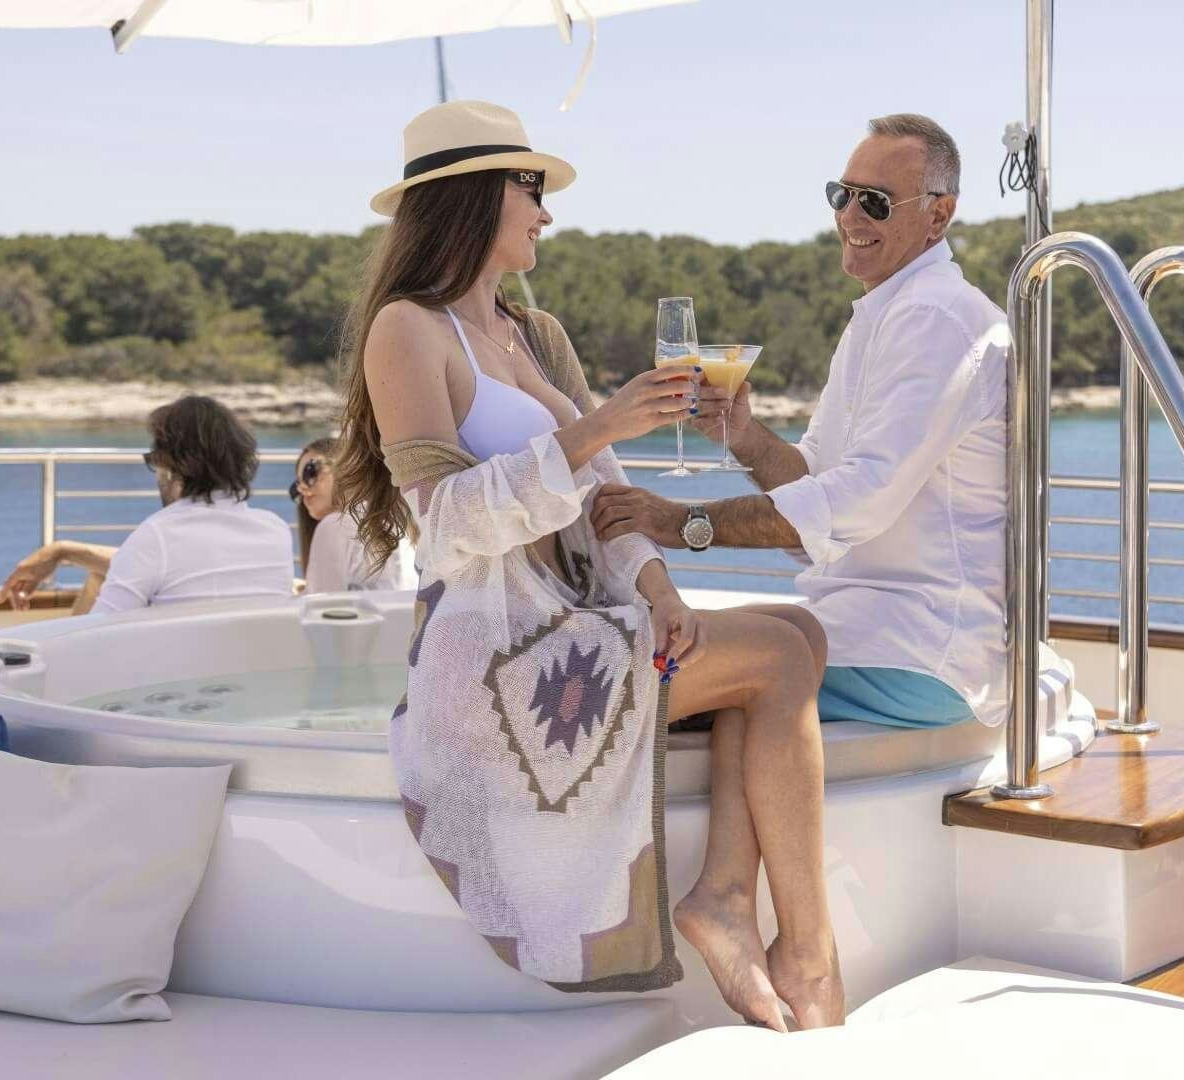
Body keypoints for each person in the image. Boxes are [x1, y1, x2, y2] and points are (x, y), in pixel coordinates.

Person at [333, 100, 841, 1031]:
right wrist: (601, 421)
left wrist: (659, 586)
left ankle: (727, 898)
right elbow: (443, 526)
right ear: (476, 197)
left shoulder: (537, 334)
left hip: (571, 621)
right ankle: (805, 958)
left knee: (801, 631)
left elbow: (605, 494)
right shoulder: (408, 330)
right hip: (493, 656)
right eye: (531, 188)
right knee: (776, 658)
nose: (547, 212)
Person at [591, 113, 1009, 731]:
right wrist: (747, 437)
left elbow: (855, 503)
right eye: (841, 195)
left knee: (632, 696)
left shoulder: (936, 318)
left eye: (876, 201)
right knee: (654, 659)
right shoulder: (884, 314)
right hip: (860, 630)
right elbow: (815, 489)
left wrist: (683, 522)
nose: (849, 216)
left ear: (938, 215)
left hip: (917, 653)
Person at [0, 395, 295, 614]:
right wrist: (63, 551)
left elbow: (99, 633)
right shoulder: (275, 531)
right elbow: (194, 563)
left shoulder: (158, 535)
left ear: (170, 466)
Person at [291, 436, 417, 593]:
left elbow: (321, 605)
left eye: (310, 472)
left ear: (343, 465)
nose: (302, 488)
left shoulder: (335, 524)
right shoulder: (395, 519)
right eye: (295, 485)